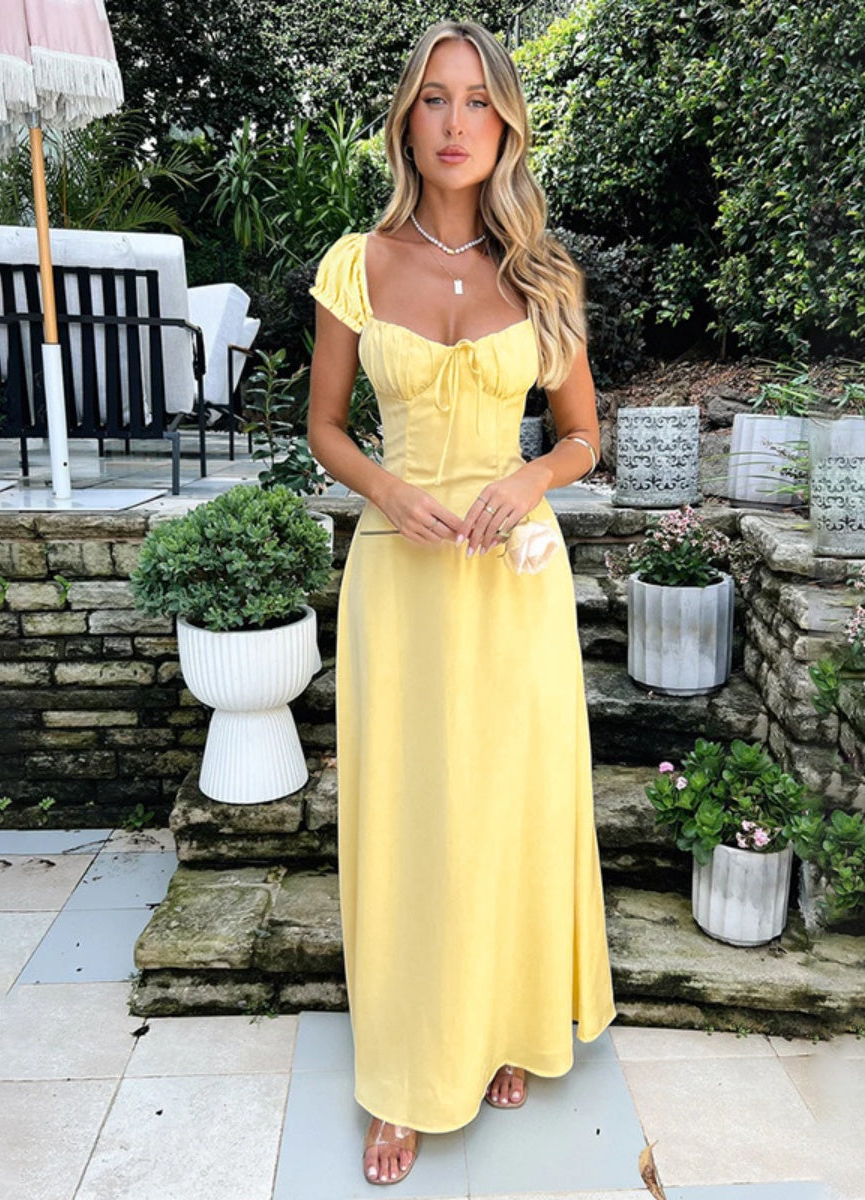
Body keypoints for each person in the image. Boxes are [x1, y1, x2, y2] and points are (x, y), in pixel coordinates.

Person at [307, 18, 616, 1187]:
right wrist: (389, 488)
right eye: (434, 99)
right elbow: (326, 427)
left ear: (506, 125)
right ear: (406, 119)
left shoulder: (544, 274)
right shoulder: (356, 264)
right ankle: (404, 1073)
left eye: (478, 101)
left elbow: (582, 436)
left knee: (507, 806)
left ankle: (507, 1019)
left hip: (510, 582)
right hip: (399, 576)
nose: (455, 123)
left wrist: (529, 477)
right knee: (406, 820)